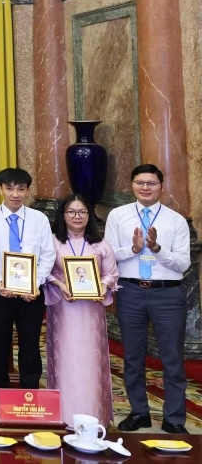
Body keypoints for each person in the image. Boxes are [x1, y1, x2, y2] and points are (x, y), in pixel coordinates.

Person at [104, 164, 192, 434]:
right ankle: (139, 412)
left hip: (167, 293)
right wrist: (134, 248)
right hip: (130, 291)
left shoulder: (176, 220)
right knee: (132, 356)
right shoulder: (118, 216)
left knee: (172, 358)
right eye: (140, 182)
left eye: (151, 183)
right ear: (132, 185)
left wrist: (157, 248)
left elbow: (183, 263)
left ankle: (174, 418)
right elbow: (108, 254)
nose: (145, 187)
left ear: (161, 187)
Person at [0, 168, 55, 390]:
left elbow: (48, 254)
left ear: (27, 191)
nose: (15, 194)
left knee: (30, 343)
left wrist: (35, 283)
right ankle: (1, 392)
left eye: (21, 189)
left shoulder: (39, 219)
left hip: (31, 294)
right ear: (0, 189)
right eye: (9, 188)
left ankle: (29, 392)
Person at [45, 194, 118, 425]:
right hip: (63, 310)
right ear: (63, 215)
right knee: (66, 360)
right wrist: (59, 284)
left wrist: (103, 286)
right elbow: (43, 271)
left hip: (91, 313)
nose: (77, 216)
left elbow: (111, 274)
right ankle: (64, 416)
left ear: (89, 216)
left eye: (82, 212)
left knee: (91, 362)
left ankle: (94, 415)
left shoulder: (101, 244)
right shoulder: (51, 242)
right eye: (71, 212)